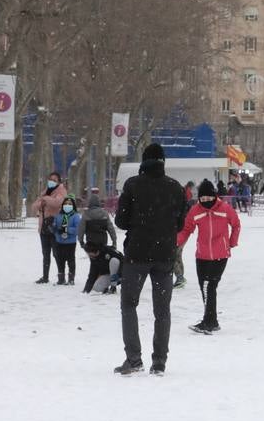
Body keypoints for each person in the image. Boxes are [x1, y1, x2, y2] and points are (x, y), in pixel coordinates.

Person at [114, 143, 187, 375]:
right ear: (163, 162)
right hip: (165, 256)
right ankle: (159, 362)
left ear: (143, 162)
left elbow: (121, 221)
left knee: (129, 305)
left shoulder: (133, 185)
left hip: (136, 255)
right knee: (162, 310)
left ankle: (134, 359)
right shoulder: (175, 188)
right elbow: (180, 224)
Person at [177, 180, 241, 334]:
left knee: (209, 286)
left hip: (220, 254)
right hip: (202, 255)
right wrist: (175, 242)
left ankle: (208, 322)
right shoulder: (195, 210)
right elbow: (186, 229)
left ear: (214, 196)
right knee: (204, 288)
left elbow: (236, 224)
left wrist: (232, 242)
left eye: (208, 199)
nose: (206, 202)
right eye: (202, 199)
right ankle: (212, 321)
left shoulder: (225, 208)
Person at [31, 172, 66, 283]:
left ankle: (61, 276)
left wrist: (46, 199)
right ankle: (45, 277)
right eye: (50, 179)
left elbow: (57, 203)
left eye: (54, 180)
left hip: (55, 227)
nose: (51, 182)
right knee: (45, 253)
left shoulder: (61, 191)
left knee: (57, 253)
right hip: (44, 227)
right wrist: (42, 201)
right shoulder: (45, 192)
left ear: (59, 181)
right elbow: (34, 206)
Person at [50, 195, 82, 285]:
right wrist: (54, 228)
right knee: (60, 260)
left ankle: (71, 279)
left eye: (69, 204)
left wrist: (66, 230)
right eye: (66, 204)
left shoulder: (75, 216)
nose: (67, 205)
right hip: (59, 241)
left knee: (71, 260)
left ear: (73, 206)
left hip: (70, 242)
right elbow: (55, 226)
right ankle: (61, 278)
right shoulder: (59, 215)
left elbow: (77, 229)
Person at [78, 191, 118, 262]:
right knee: (102, 259)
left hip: (91, 242)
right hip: (102, 241)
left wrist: (81, 242)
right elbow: (111, 228)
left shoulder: (86, 215)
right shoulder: (104, 214)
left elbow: (81, 229)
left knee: (93, 261)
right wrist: (114, 241)